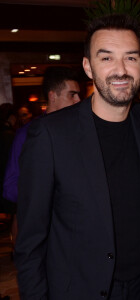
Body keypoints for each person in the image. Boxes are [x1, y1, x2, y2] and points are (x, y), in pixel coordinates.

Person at [15, 14, 140, 300]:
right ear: (88, 66)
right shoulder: (50, 135)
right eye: (106, 58)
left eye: (131, 58)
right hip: (81, 290)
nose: (121, 70)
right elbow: (30, 242)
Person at [2, 67, 80, 248]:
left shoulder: (83, 131)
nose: (79, 100)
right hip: (45, 233)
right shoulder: (28, 134)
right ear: (53, 96)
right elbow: (10, 187)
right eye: (72, 95)